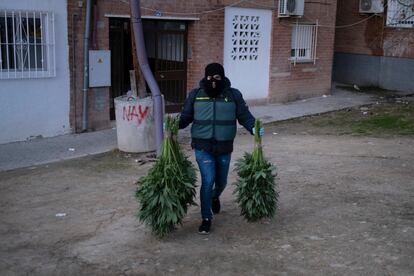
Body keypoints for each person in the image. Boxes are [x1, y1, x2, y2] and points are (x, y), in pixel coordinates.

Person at [179, 62, 264, 234]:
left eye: (217, 78)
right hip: (203, 146)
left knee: (222, 181)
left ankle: (215, 196)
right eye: (209, 77)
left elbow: (244, 116)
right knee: (208, 180)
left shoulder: (233, 95)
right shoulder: (196, 95)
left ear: (223, 77)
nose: (213, 81)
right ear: (205, 77)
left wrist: (253, 127)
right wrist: (174, 125)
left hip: (224, 146)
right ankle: (206, 218)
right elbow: (185, 117)